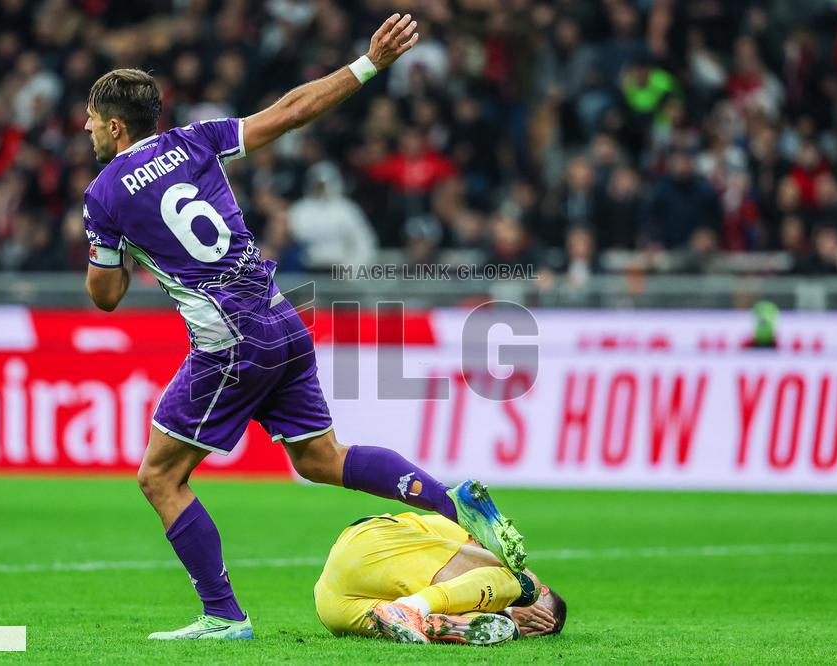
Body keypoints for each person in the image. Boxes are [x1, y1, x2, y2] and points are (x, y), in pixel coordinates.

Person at [79, 13, 526, 641]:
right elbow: (290, 112)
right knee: (321, 458)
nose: (87, 128)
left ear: (116, 126)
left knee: (159, 477)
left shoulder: (103, 193)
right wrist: (369, 63)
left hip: (230, 340)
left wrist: (112, 247)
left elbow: (105, 295)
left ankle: (223, 617)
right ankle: (453, 503)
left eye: (93, 120)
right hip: (283, 319)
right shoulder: (195, 141)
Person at [314, 511, 567, 645]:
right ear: (545, 591)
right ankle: (412, 608)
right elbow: (486, 565)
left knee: (493, 624)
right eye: (535, 617)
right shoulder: (481, 547)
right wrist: (511, 607)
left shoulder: (472, 594)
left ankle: (414, 614)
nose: (528, 622)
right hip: (376, 544)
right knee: (523, 584)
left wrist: (508, 624)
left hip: (334, 607)